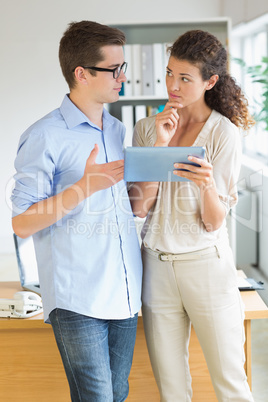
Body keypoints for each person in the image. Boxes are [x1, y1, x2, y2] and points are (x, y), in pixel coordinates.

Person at [11, 20, 142, 402]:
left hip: (124, 290)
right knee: (97, 397)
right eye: (113, 70)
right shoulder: (44, 135)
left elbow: (127, 207)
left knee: (117, 393)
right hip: (77, 297)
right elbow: (21, 223)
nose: (122, 78)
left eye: (124, 68)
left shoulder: (118, 130)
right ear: (81, 74)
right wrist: (83, 187)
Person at [129, 30, 255, 401]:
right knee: (172, 389)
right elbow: (139, 207)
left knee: (230, 383)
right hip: (156, 268)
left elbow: (215, 221)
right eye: (169, 74)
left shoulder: (224, 134)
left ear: (210, 81)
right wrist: (160, 146)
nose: (173, 85)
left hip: (206, 268)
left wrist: (205, 185)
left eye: (185, 78)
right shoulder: (146, 128)